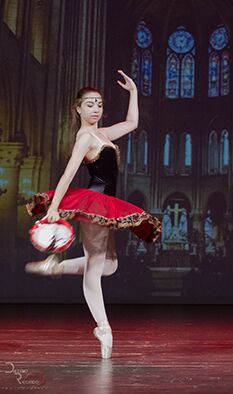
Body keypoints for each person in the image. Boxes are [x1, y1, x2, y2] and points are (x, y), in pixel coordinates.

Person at [25, 70, 161, 359]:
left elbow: (133, 123)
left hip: (107, 203)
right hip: (95, 203)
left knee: (109, 265)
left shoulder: (102, 133)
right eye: (89, 104)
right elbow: (68, 174)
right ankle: (104, 327)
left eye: (99, 103)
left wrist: (134, 92)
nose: (96, 108)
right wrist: (52, 208)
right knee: (96, 268)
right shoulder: (85, 137)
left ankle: (55, 267)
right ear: (77, 108)